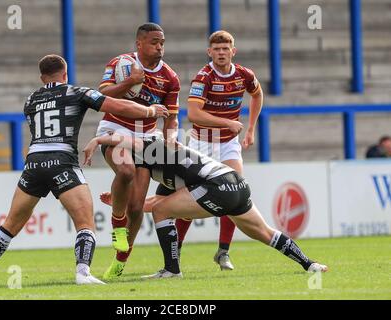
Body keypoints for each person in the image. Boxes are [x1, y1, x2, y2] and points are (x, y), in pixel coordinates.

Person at [0, 54, 169, 287]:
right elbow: (117, 105)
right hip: (62, 160)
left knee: (10, 224)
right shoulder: (76, 92)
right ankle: (83, 273)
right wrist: (150, 112)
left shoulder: (31, 100)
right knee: (85, 222)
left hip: (34, 162)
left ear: (42, 77)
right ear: (65, 73)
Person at [83, 134, 328, 279]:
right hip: (237, 183)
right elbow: (158, 199)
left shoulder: (150, 147)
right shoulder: (167, 167)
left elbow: (154, 204)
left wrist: (98, 139)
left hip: (218, 184)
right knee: (265, 233)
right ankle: (310, 264)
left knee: (160, 211)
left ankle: (172, 270)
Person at [172, 30, 263, 270]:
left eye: (225, 49)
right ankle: (176, 251)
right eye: (216, 49)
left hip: (228, 144)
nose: (221, 53)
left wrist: (251, 129)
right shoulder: (203, 78)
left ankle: (223, 252)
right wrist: (228, 122)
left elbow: (257, 94)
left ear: (233, 51)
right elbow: (193, 114)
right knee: (189, 200)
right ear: (209, 52)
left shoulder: (244, 75)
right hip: (202, 143)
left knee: (233, 192)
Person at [96, 23, 180, 280]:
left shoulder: (170, 78)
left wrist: (171, 138)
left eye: (162, 42)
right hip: (114, 129)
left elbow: (172, 119)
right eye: (154, 42)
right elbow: (102, 96)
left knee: (136, 207)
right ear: (139, 43)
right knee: (125, 170)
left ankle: (120, 262)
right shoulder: (121, 64)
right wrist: (131, 82)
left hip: (145, 138)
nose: (159, 47)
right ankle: (116, 224)